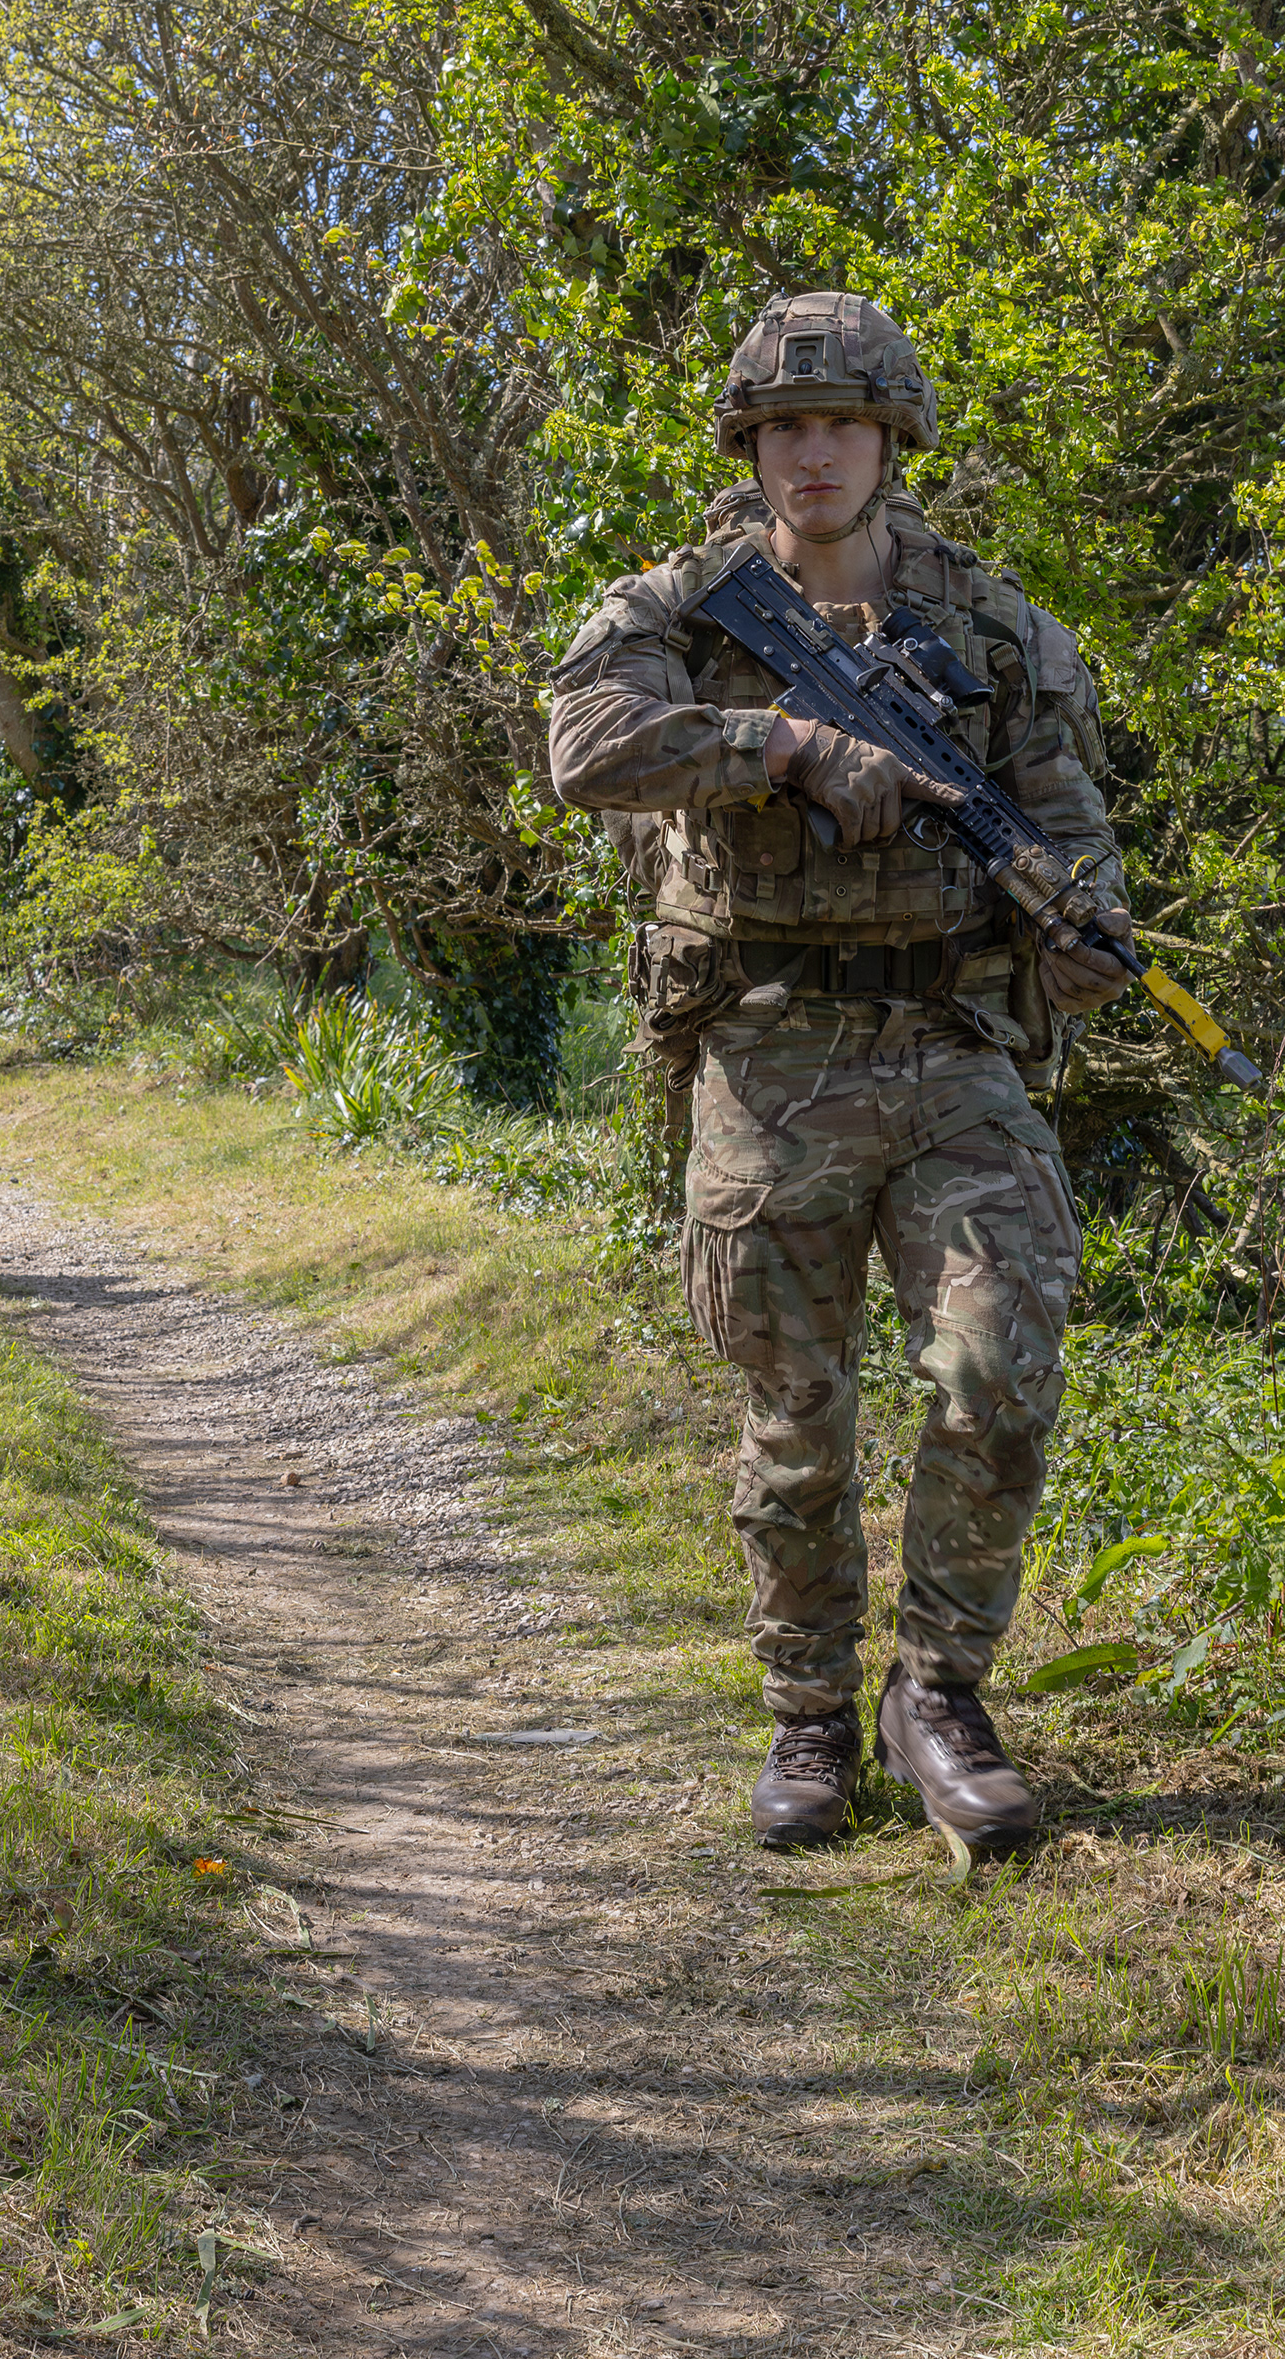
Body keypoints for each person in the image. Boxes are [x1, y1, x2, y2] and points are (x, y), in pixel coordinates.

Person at [548, 292, 1132, 1858]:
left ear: (892, 441)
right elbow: (584, 747)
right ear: (750, 445)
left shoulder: (988, 623)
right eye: (786, 426)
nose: (815, 453)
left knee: (1000, 1363)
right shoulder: (685, 608)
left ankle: (937, 1697)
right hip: (768, 1044)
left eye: (845, 425)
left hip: (949, 1040)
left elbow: (1065, 816)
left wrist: (1087, 933)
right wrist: (787, 750)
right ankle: (809, 1712)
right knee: (798, 1410)